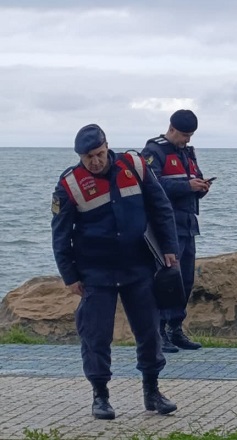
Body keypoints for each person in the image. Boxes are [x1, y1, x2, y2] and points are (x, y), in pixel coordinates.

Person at [52, 124, 180, 420]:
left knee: (149, 332)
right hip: (96, 272)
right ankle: (100, 396)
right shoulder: (70, 185)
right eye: (88, 157)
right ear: (79, 157)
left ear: (107, 146)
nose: (95, 161)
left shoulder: (134, 165)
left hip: (139, 267)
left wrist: (169, 247)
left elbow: (160, 207)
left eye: (98, 154)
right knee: (96, 336)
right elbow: (60, 234)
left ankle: (152, 391)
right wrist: (70, 276)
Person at [142, 109, 209, 353]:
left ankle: (176, 328)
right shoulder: (154, 151)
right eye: (184, 135)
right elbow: (151, 185)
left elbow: (194, 177)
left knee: (185, 280)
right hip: (164, 227)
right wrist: (186, 186)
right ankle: (158, 332)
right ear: (171, 129)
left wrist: (200, 187)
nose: (187, 140)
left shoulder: (187, 153)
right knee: (166, 280)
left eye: (190, 136)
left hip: (187, 224)